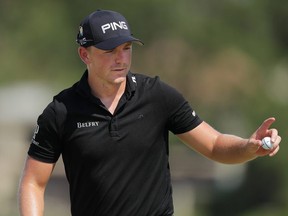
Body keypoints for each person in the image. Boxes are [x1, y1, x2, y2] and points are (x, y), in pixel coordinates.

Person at [18, 9, 281, 216]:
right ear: (84, 54)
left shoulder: (157, 96)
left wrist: (249, 147)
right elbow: (33, 182)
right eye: (110, 51)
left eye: (126, 49)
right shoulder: (61, 111)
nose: (121, 59)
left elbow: (213, 144)